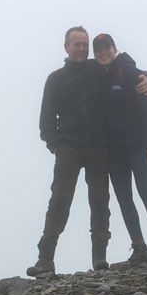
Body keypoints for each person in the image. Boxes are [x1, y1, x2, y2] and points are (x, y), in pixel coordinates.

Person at [27, 26, 111, 277]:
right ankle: (45, 260)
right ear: (66, 47)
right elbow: (46, 119)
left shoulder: (100, 71)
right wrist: (56, 146)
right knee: (59, 202)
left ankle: (100, 259)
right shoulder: (56, 79)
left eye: (85, 44)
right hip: (68, 149)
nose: (82, 48)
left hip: (98, 148)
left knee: (100, 202)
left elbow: (127, 67)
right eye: (77, 44)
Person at [92, 33, 147, 271]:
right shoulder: (97, 74)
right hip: (114, 150)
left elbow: (143, 107)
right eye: (98, 49)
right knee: (124, 198)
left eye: (106, 48)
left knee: (146, 192)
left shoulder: (126, 70)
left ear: (114, 48)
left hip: (138, 145)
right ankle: (139, 248)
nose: (102, 52)